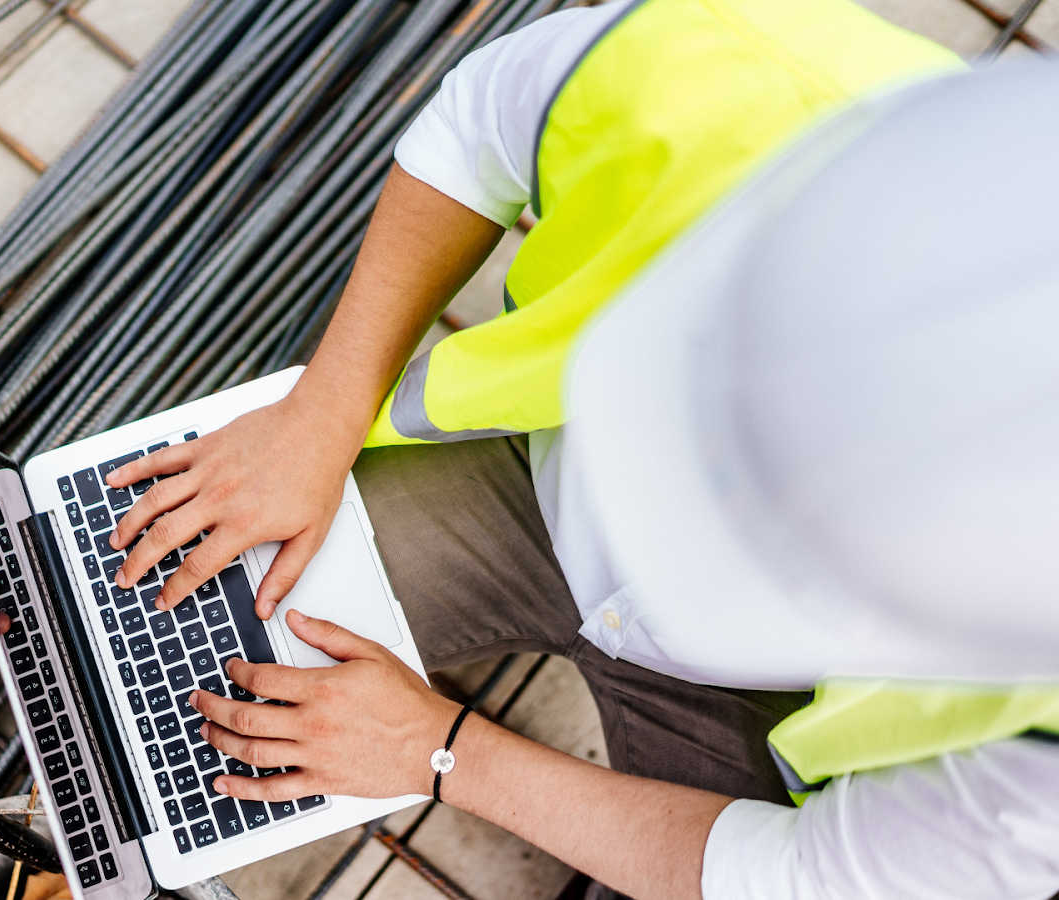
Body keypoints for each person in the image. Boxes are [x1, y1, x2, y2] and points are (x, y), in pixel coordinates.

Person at [87, 1, 1059, 898]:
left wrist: (441, 752)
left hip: (769, 701)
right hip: (532, 478)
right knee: (157, 645)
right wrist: (323, 410)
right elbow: (480, 126)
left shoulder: (1040, 771)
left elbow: (793, 877)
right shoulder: (752, 72)